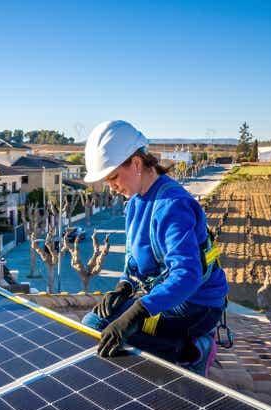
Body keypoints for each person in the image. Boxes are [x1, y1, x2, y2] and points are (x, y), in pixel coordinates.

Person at [81, 121, 229, 377]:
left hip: (195, 304)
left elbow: (187, 276)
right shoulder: (135, 202)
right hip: (166, 297)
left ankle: (192, 351)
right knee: (93, 325)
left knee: (115, 337)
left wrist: (138, 312)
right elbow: (134, 259)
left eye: (113, 177)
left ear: (136, 164)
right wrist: (124, 286)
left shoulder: (172, 206)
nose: (111, 187)